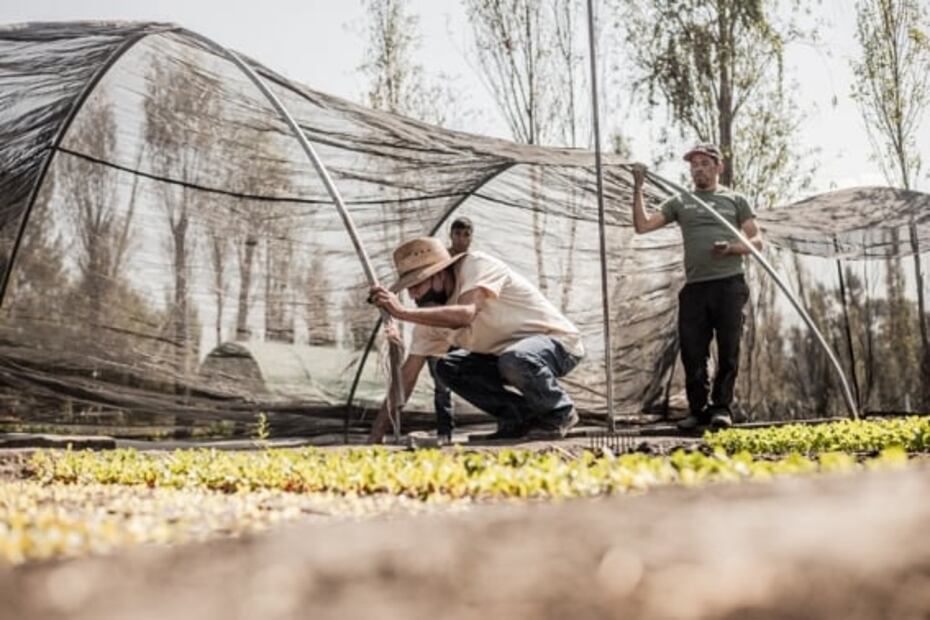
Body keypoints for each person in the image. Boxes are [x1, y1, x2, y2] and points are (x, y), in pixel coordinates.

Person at [367, 236, 584, 443]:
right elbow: (406, 378)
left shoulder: (476, 266)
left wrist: (402, 313)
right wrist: (374, 438)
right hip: (508, 360)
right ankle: (519, 417)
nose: (414, 295)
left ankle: (559, 413)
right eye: (409, 288)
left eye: (417, 284)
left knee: (515, 358)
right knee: (448, 367)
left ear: (440, 273)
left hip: (556, 345)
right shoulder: (430, 316)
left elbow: (465, 314)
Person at [630, 143, 762, 430]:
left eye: (704, 163)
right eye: (694, 164)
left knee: (728, 348)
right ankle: (698, 411)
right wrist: (638, 187)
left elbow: (757, 241)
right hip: (695, 288)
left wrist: (731, 248)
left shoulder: (735, 200)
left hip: (729, 285)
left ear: (718, 167)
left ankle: (721, 409)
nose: (698, 168)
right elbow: (642, 226)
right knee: (693, 352)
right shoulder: (682, 201)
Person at [426, 216, 474, 443]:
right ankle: (445, 432)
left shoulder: (473, 261)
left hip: (465, 328)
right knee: (441, 384)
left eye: (466, 234)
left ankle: (508, 417)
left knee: (476, 375)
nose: (462, 239)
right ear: (451, 235)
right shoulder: (440, 261)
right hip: (441, 327)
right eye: (458, 234)